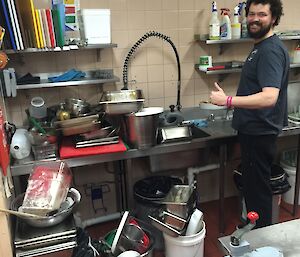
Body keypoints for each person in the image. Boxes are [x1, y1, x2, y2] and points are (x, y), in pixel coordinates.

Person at [210, 0, 289, 228]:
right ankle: (256, 235)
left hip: (259, 132)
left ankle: (261, 241)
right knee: (255, 189)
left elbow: (269, 97)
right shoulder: (261, 47)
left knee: (259, 192)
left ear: (273, 18)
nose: (255, 19)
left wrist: (228, 100)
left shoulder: (270, 51)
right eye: (252, 14)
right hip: (254, 131)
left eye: (262, 14)